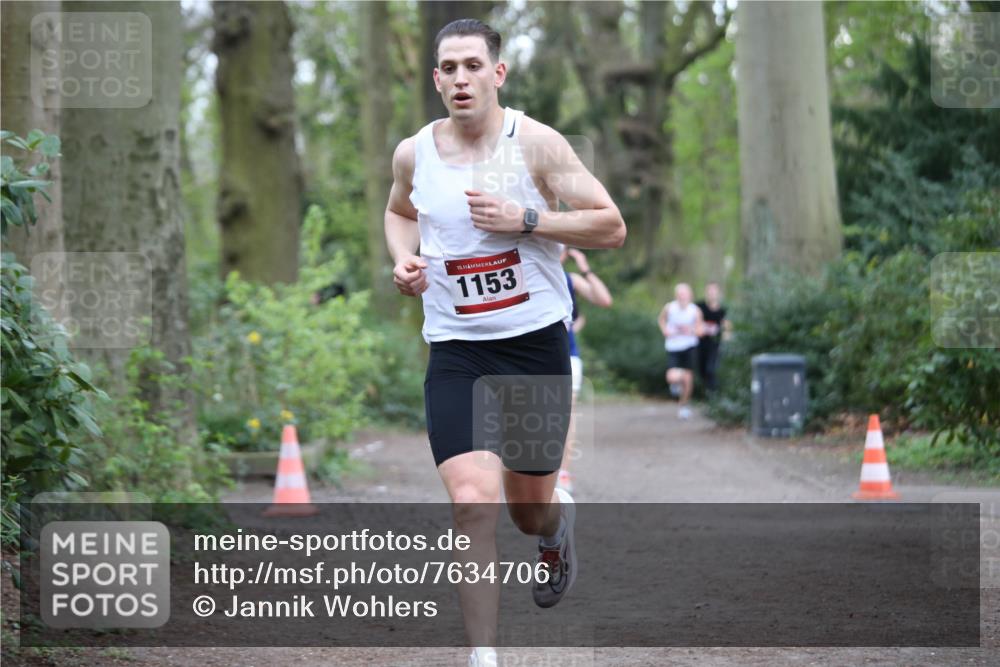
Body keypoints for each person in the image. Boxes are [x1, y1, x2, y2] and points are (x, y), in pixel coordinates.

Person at [382, 18, 625, 666]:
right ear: (436, 79)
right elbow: (399, 211)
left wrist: (527, 219)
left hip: (533, 347)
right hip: (457, 349)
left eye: (471, 65)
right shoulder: (415, 153)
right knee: (470, 501)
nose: (460, 78)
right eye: (448, 68)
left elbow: (610, 225)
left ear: (497, 73)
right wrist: (402, 260)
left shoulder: (535, 145)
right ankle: (483, 657)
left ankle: (556, 528)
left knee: (527, 511)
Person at [558, 247, 612, 493]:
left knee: (566, 415)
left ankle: (563, 473)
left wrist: (585, 268)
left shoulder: (570, 279)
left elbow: (604, 299)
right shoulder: (525, 271)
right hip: (529, 356)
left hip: (567, 356)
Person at [658, 283, 703, 420]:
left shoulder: (695, 311)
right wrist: (664, 330)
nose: (682, 297)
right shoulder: (669, 307)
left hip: (689, 346)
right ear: (676, 295)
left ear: (690, 295)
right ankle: (677, 383)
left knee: (688, 378)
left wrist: (690, 330)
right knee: (671, 376)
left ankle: (683, 405)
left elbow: (700, 331)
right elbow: (661, 320)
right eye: (680, 294)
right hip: (673, 346)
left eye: (685, 294)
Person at [696, 281, 729, 395]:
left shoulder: (722, 311)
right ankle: (706, 393)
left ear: (718, 293)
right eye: (709, 291)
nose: (711, 293)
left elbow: (727, 328)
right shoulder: (699, 307)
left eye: (714, 291)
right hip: (700, 344)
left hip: (715, 344)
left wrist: (726, 339)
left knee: (711, 369)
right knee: (702, 371)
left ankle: (713, 395)